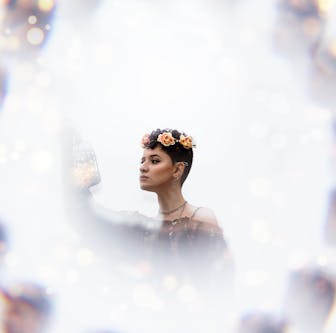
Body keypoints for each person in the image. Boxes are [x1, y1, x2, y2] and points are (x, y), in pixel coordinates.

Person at [65, 128, 235, 333]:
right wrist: (79, 174)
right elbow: (91, 224)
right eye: (142, 161)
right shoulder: (143, 226)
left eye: (154, 161)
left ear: (177, 170)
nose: (143, 168)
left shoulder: (200, 219)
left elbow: (218, 284)